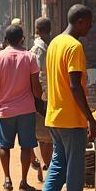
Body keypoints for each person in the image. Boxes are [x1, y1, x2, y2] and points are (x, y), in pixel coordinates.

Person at [33, 5, 96, 191]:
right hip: (70, 118)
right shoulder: (74, 47)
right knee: (74, 169)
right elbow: (74, 85)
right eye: (89, 22)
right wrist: (90, 118)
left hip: (55, 116)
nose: (91, 26)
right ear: (81, 21)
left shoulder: (54, 43)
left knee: (58, 165)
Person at [0, 24, 42, 191]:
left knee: (4, 146)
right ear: (22, 39)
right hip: (26, 109)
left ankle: (7, 179)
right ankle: (24, 182)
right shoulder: (29, 57)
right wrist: (40, 98)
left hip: (6, 109)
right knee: (26, 147)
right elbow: (36, 86)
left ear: (6, 40)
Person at [31, 17, 53, 178]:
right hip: (45, 96)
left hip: (46, 96)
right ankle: (43, 168)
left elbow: (38, 75)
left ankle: (44, 168)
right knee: (44, 136)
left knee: (45, 136)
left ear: (37, 30)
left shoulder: (42, 48)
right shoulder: (42, 48)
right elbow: (39, 76)